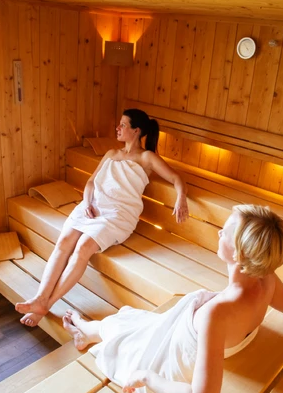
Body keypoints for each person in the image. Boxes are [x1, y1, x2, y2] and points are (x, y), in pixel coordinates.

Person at [59, 204, 283, 393]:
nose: (219, 232)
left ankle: (86, 333)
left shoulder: (217, 314)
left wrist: (148, 377)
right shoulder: (267, 280)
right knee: (130, 323)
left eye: (225, 232)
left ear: (239, 254)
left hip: (171, 359)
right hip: (195, 335)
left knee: (127, 338)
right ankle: (87, 331)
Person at [15, 109, 189, 326]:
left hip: (118, 214)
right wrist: (87, 202)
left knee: (83, 247)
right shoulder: (111, 154)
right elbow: (90, 183)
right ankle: (40, 298)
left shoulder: (146, 158)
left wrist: (181, 198)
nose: (117, 128)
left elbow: (176, 178)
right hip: (92, 206)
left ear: (136, 130)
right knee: (63, 242)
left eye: (123, 125)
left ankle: (46, 305)